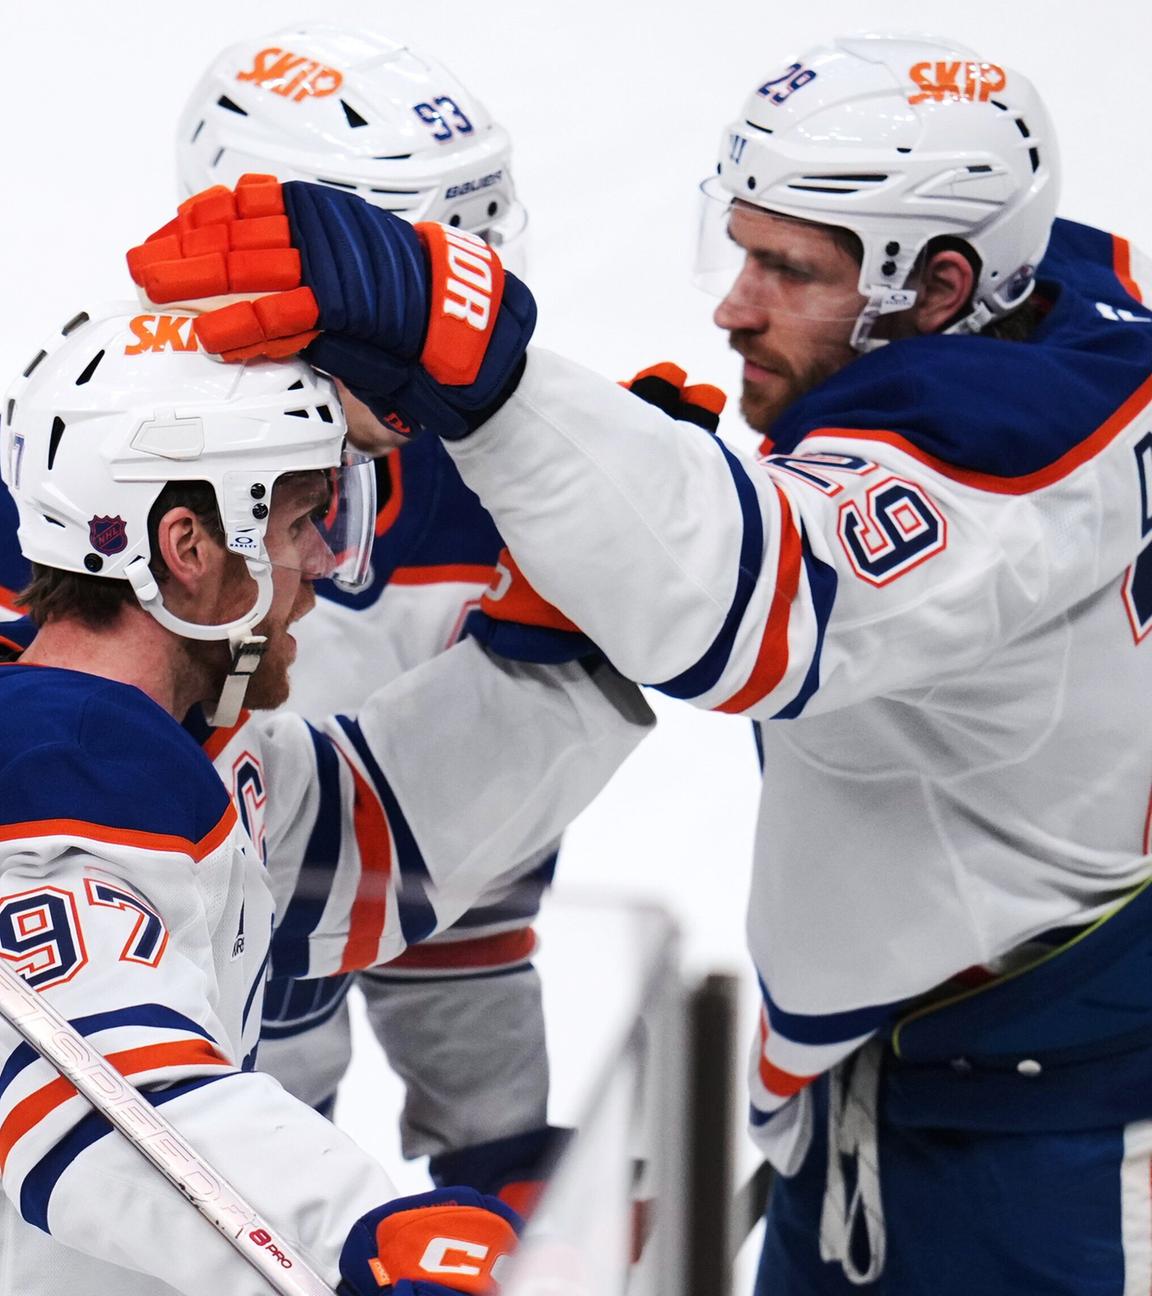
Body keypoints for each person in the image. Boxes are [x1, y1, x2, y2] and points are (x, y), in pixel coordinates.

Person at [130, 30, 1152, 1293]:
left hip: (1023, 1141)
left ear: (940, 288)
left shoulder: (1011, 462)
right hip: (924, 1089)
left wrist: (482, 1130)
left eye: (788, 269)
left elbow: (756, 604)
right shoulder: (1064, 327)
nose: (732, 305)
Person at [0, 302, 653, 1295]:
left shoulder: (175, 732)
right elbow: (79, 1086)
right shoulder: (57, 762)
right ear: (187, 547)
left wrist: (554, 639)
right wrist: (362, 1234)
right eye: (304, 523)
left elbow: (359, 843)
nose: (321, 568)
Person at [172, 21, 560, 1201]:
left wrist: (497, 1144)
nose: (457, 323)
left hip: (298, 1163)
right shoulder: (60, 492)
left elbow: (456, 886)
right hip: (84, 1167)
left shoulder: (476, 498)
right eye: (420, 271)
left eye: (473, 266)